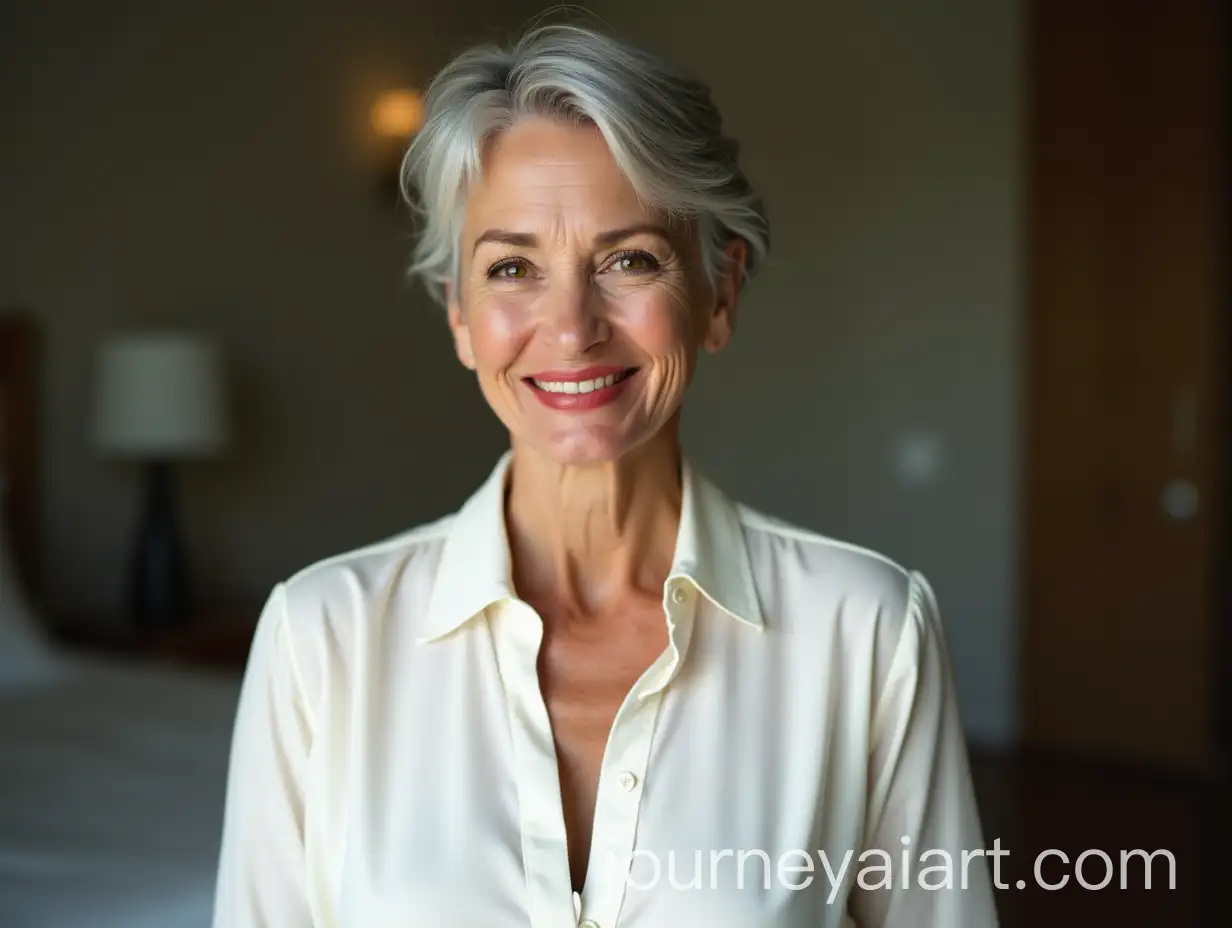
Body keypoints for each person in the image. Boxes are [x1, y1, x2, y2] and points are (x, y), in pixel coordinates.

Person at [212, 21, 999, 928]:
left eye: (629, 259)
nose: (573, 326)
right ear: (460, 318)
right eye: (512, 268)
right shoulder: (322, 637)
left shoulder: (867, 630)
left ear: (721, 293)